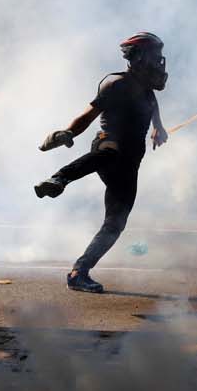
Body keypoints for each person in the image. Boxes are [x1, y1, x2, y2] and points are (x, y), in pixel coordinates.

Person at [34, 32, 169, 293]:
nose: (158, 63)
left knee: (115, 224)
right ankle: (59, 179)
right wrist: (70, 132)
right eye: (154, 57)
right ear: (139, 57)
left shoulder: (148, 91)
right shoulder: (116, 84)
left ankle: (79, 272)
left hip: (130, 163)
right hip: (107, 144)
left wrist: (158, 128)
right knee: (110, 151)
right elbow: (89, 114)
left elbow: (152, 107)